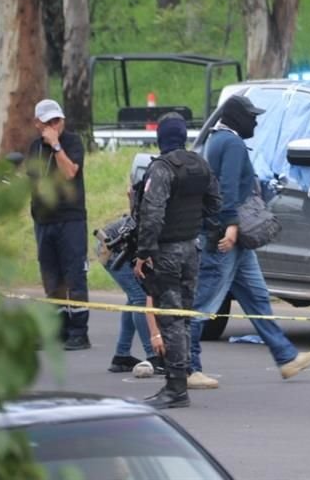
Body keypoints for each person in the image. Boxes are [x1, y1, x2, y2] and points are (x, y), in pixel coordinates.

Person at [188, 95, 310, 390]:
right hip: (227, 237)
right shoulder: (233, 143)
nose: (256, 122)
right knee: (204, 302)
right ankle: (187, 366)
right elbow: (227, 188)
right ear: (237, 118)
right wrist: (232, 225)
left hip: (235, 240)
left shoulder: (217, 139)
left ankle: (286, 358)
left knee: (257, 297)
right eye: (252, 117)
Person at [133, 113, 222, 409]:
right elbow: (215, 204)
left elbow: (152, 213)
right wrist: (196, 226)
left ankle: (175, 387)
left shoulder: (161, 168)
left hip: (168, 251)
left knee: (170, 318)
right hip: (191, 249)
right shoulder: (200, 164)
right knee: (183, 316)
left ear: (161, 137)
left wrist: (144, 252)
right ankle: (180, 378)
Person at [28, 99, 91, 350]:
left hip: (70, 218)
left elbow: (69, 173)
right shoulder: (34, 148)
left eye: (58, 120)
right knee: (51, 276)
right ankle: (58, 327)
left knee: (74, 274)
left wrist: (56, 146)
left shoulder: (72, 142)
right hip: (44, 220)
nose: (54, 125)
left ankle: (79, 330)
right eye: (49, 122)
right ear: (38, 124)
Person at [95, 214, 162, 375]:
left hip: (115, 243)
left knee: (133, 299)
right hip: (114, 247)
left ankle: (121, 356)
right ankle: (153, 356)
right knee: (140, 298)